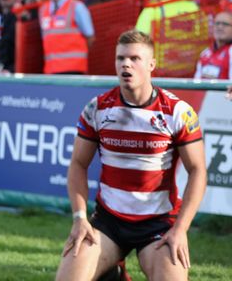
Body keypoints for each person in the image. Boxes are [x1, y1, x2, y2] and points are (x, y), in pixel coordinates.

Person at [56, 29, 206, 281]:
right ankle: (112, 272)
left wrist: (181, 229)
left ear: (151, 65)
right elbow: (78, 164)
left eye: (134, 58)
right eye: (120, 58)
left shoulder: (177, 112)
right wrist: (80, 218)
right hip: (108, 222)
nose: (126, 63)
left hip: (158, 223)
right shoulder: (98, 108)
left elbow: (198, 170)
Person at [39, 0, 95, 74]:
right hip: (51, 69)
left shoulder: (77, 6)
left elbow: (90, 36)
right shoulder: (43, 10)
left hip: (74, 68)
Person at [195, 10, 232, 79]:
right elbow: (196, 84)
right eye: (217, 23)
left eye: (225, 24)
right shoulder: (205, 53)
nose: (220, 27)